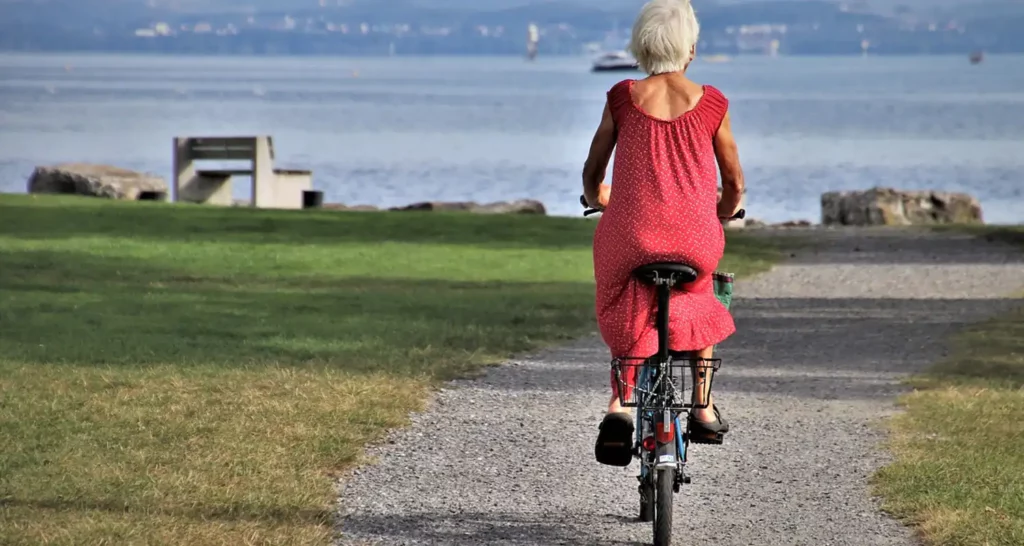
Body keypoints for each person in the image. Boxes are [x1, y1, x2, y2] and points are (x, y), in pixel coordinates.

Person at [581, 0, 745, 466]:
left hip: (630, 234)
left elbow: (594, 169)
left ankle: (620, 405)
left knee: (623, 293)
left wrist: (598, 197)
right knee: (702, 295)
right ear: (689, 49)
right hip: (694, 236)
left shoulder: (621, 96)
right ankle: (703, 405)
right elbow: (732, 182)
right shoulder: (713, 103)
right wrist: (725, 210)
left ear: (641, 46)